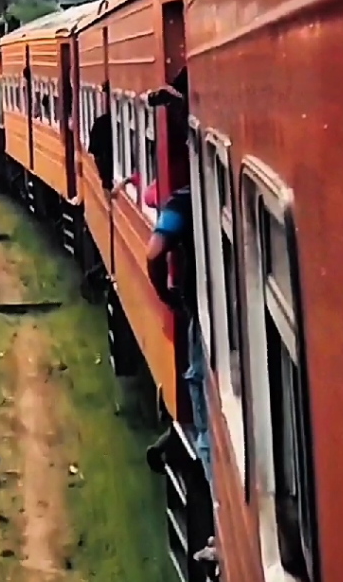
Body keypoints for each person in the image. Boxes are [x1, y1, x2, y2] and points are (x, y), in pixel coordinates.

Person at [144, 75, 217, 570]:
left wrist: (166, 292)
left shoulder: (180, 204)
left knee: (203, 410)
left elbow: (153, 253)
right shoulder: (204, 194)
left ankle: (217, 521)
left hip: (199, 317)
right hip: (224, 320)